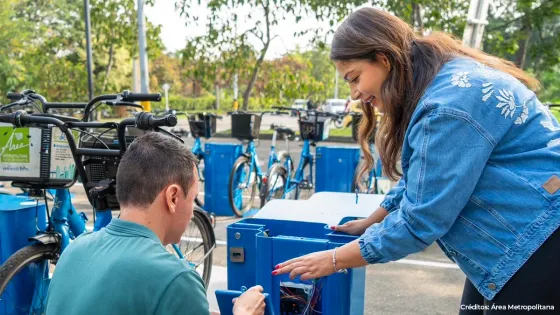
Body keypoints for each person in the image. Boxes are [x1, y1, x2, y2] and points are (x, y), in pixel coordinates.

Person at [274, 7, 560, 314]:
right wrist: (374, 220)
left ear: (383, 58)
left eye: (355, 78)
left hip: (539, 239)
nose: (355, 93)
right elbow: (425, 176)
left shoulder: (447, 108)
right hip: (520, 237)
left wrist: (332, 260)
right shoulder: (446, 77)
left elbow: (421, 221)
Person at [46, 132, 266, 315]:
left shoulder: (74, 251)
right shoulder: (176, 279)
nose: (193, 212)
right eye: (192, 199)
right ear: (172, 197)